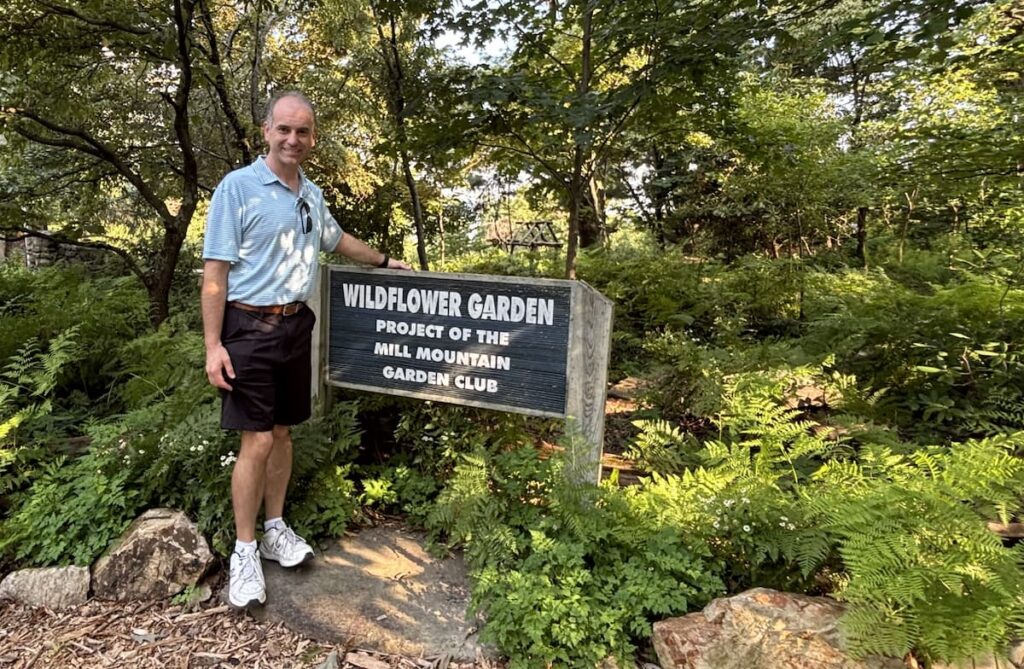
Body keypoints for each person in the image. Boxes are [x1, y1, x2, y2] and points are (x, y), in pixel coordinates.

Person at [201, 91, 411, 609]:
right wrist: (213, 345)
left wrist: (385, 263)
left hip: (297, 326)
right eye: (284, 129)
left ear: (312, 138)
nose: (293, 139)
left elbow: (337, 241)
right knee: (257, 442)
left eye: (303, 131)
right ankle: (244, 551)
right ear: (266, 131)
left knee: (282, 433)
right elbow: (214, 274)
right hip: (248, 328)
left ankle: (275, 529)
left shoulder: (310, 195)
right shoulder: (238, 188)